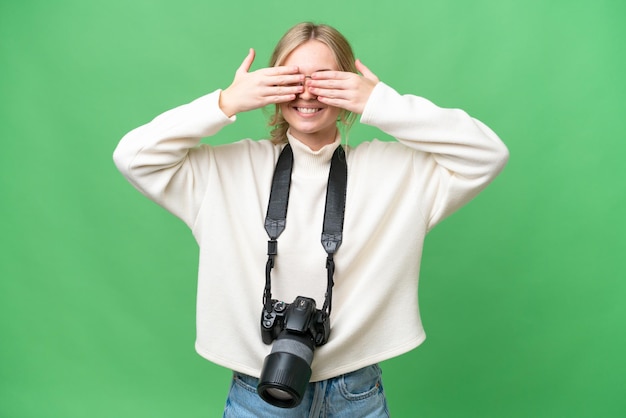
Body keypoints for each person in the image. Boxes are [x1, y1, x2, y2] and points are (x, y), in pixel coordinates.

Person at [113, 22, 509, 418]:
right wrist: (226, 102)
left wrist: (382, 103)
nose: (305, 92)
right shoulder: (225, 171)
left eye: (323, 79)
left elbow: (488, 154)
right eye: (291, 78)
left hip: (357, 390)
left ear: (347, 87)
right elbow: (132, 157)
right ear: (269, 84)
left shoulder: (396, 173)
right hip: (258, 389)